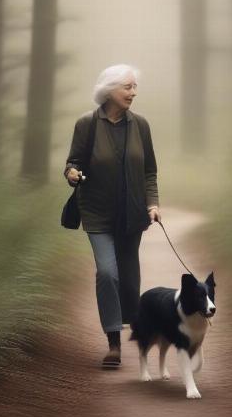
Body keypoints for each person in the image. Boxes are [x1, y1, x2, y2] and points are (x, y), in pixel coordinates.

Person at [64, 64, 161, 367]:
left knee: (129, 280)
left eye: (135, 87)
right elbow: (73, 162)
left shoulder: (141, 125)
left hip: (132, 213)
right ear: (109, 90)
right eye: (127, 87)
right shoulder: (87, 124)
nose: (133, 93)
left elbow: (149, 171)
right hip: (97, 212)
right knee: (107, 273)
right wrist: (71, 173)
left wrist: (153, 203)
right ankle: (113, 343)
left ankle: (132, 321)